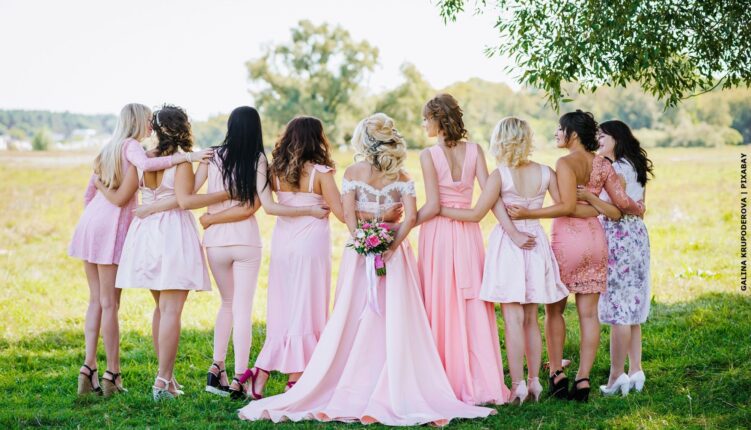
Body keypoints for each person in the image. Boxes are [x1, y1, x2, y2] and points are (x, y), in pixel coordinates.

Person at [237, 113, 494, 426]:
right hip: (395, 257)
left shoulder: (353, 171)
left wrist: (365, 243)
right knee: (395, 318)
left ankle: (347, 378)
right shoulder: (402, 176)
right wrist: (390, 246)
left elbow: (346, 214)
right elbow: (410, 218)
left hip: (358, 255)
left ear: (364, 140)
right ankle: (393, 380)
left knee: (354, 314)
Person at [68, 102, 211, 396]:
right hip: (163, 231)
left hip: (128, 232)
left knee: (146, 306)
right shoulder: (169, 159)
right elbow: (183, 197)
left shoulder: (131, 154)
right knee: (152, 308)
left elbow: (99, 193)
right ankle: (145, 377)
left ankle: (105, 368)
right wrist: (199, 162)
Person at [508, 110, 644, 401]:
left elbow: (567, 206)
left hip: (566, 241)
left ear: (572, 134)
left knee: (555, 310)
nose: (557, 134)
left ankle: (557, 372)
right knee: (588, 314)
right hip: (595, 240)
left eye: (560, 129)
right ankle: (583, 379)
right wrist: (595, 206)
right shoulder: (603, 164)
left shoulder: (564, 162)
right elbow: (617, 211)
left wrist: (530, 212)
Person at [439, 117, 570, 404]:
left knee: (513, 319)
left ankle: (519, 385)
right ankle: (536, 382)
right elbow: (562, 206)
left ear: (501, 141)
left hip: (509, 245)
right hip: (535, 241)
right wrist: (531, 215)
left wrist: (442, 209)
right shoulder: (546, 172)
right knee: (531, 318)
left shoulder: (499, 175)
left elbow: (476, 214)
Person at [416, 94, 508, 405]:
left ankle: (444, 377)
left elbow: (434, 205)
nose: (424, 124)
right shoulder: (475, 151)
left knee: (441, 299)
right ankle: (480, 380)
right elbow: (491, 194)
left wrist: (402, 228)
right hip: (468, 231)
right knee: (470, 302)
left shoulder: (429, 155)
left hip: (438, 233)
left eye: (426, 118)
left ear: (438, 120)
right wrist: (509, 227)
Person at [575, 120, 652, 396]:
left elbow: (616, 208)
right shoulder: (635, 165)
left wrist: (588, 197)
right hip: (637, 237)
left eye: (602, 135)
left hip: (619, 237)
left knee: (620, 309)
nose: (598, 139)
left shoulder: (616, 168)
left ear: (616, 138)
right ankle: (636, 369)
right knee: (631, 308)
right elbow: (640, 207)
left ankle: (616, 375)